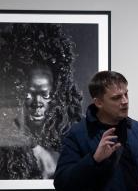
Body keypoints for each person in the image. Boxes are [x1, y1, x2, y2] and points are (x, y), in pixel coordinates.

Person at [0, 23, 82, 179]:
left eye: (45, 94)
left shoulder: (71, 140)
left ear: (57, 94)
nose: (38, 102)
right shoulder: (7, 147)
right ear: (16, 92)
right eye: (29, 94)